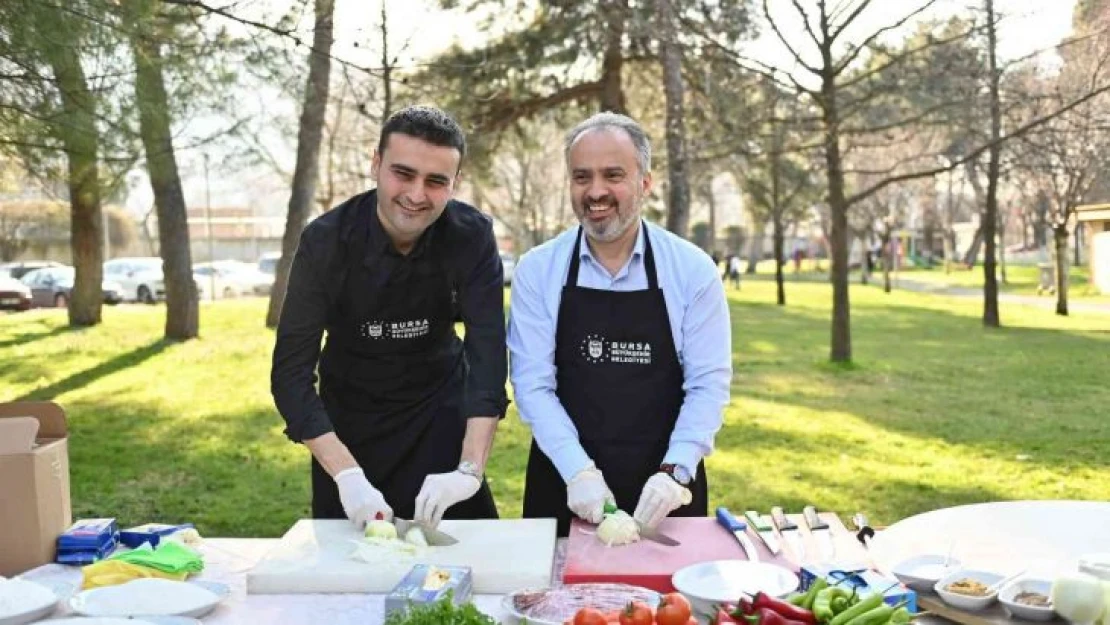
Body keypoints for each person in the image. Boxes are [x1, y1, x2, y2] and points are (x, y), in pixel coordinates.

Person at [271, 105, 508, 530]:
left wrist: (469, 471)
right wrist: (346, 476)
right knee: (349, 581)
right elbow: (290, 374)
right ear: (376, 164)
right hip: (348, 431)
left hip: (441, 420)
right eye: (404, 173)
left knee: (474, 562)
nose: (417, 195)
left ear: (454, 184)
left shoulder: (471, 237)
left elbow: (488, 359)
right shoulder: (326, 241)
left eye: (436, 181)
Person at [507, 112, 732, 537]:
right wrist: (579, 472)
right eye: (581, 177)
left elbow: (708, 384)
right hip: (564, 485)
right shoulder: (538, 270)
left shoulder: (691, 270)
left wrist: (675, 471)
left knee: (668, 606)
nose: (596, 192)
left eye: (613, 175)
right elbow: (533, 384)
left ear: (645, 182)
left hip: (666, 492)